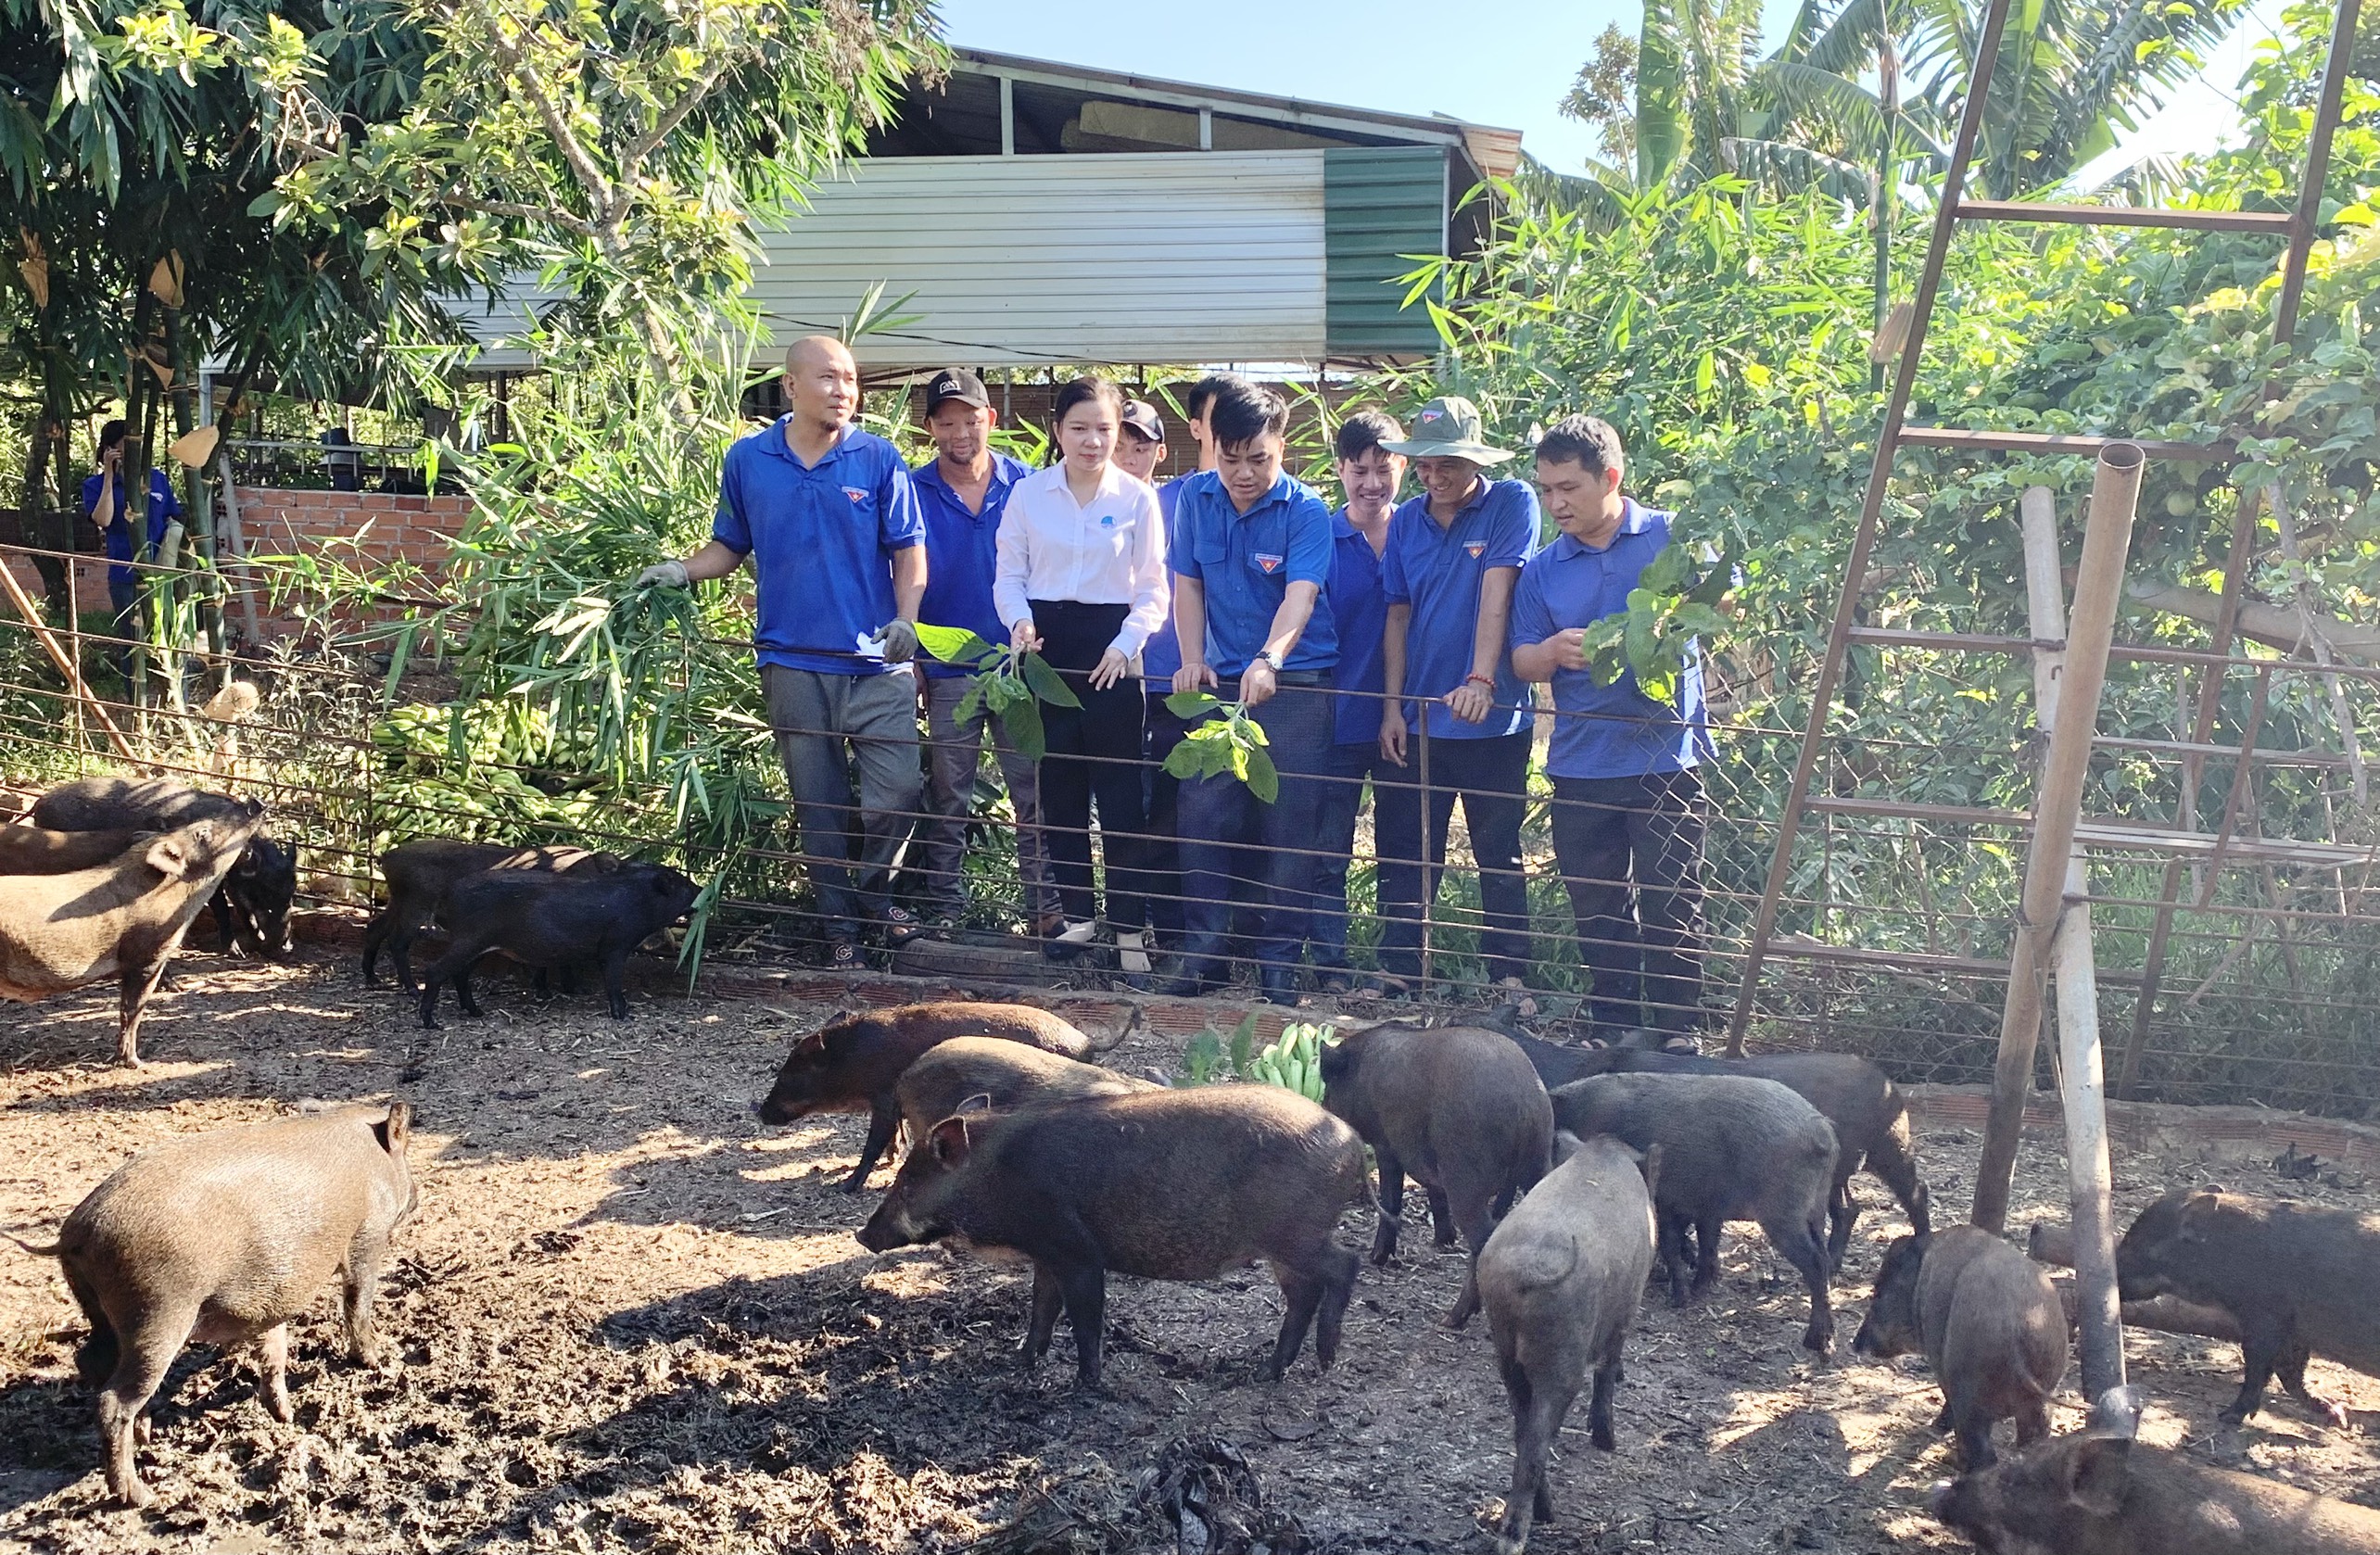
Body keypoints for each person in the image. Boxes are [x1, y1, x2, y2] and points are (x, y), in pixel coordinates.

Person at [636, 335, 927, 973]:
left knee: (898, 792)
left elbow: (909, 551)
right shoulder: (749, 460)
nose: (844, 390)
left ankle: (872, 899)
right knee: (818, 804)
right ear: (791, 386)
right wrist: (679, 572)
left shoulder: (879, 459)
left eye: (850, 379)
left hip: (877, 663)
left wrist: (907, 621)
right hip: (793, 663)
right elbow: (728, 548)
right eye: (828, 378)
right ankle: (840, 929)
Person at [1509, 414, 1713, 1035]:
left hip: (1667, 761)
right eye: (1546, 489)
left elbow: (1725, 600)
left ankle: (1681, 1032)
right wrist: (1553, 654)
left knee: (1674, 904)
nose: (1556, 503)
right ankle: (1614, 1030)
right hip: (1580, 764)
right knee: (1597, 908)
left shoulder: (1671, 537)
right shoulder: (1543, 568)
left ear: (1611, 478)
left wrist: (1667, 619)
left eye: (1568, 488)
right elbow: (1520, 658)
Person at [1163, 382, 1336, 1005]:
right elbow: (1188, 585)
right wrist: (1190, 658)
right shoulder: (1194, 499)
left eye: (1258, 459)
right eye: (1230, 458)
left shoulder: (1307, 511)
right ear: (1212, 447)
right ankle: (1204, 952)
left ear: (1281, 447)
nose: (1243, 473)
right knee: (1202, 814)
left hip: (1295, 686)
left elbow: (1301, 595)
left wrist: (1269, 659)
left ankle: (1279, 964)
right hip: (1218, 685)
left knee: (1289, 822)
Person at [995, 375, 1168, 975]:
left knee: (1122, 800)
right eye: (1079, 428)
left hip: (1113, 655)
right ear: (1057, 431)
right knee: (1060, 792)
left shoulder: (1137, 499)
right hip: (1047, 651)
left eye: (1104, 429)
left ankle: (1127, 930)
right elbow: (1010, 575)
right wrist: (1018, 623)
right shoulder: (1028, 495)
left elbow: (1152, 589)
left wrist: (1125, 646)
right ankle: (1077, 918)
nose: (1092, 442)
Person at [1374, 396, 1540, 991]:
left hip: (1492, 722)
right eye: (1421, 463)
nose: (1432, 476)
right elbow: (1397, 614)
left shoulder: (1511, 502)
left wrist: (1481, 678)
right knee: (1408, 850)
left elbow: (1499, 589)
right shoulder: (1406, 523)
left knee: (1499, 851)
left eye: (1445, 462)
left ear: (1473, 458)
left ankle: (1510, 978)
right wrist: (1392, 707)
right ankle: (1399, 969)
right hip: (1418, 719)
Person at [908, 367, 1060, 936]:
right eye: (946, 423)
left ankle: (1045, 911)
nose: (960, 434)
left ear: (990, 420)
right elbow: (899, 574)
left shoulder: (1030, 485)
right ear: (930, 428)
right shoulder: (912, 489)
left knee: (1034, 794)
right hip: (948, 668)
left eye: (970, 420)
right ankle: (945, 908)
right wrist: (915, 661)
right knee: (950, 792)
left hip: (1020, 668)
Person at [1142, 373, 1247, 945]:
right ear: (1198, 427)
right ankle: (1178, 946)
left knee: (1246, 819)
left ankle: (1240, 947)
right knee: (1173, 817)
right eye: (1218, 418)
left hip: (1245, 688)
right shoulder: (1165, 501)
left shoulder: (1279, 500)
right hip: (1170, 683)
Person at [1305, 410, 1404, 993]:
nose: (1371, 483)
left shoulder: (1419, 532)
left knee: (1404, 850)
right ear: (1340, 468)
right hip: (1333, 722)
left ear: (1403, 467)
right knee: (1328, 850)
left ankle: (1399, 964)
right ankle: (1333, 964)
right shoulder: (1319, 536)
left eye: (1383, 468)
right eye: (1359, 469)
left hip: (1402, 721)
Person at [82, 419, 184, 684]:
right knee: (132, 644)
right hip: (124, 574)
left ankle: (173, 699)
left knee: (171, 641)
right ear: (110, 450)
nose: (132, 454)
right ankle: (136, 706)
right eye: (125, 447)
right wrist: (108, 476)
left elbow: (175, 518)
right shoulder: (94, 485)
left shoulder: (157, 480)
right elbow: (103, 520)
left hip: (161, 575)